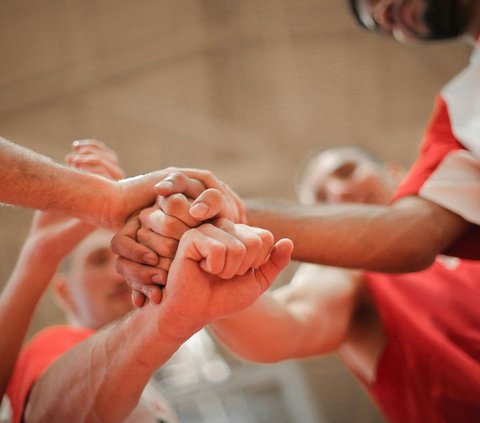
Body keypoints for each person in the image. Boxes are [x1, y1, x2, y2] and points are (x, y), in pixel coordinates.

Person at [110, 0, 480, 285]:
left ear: (396, 173)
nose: (382, 14)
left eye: (347, 170)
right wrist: (220, 216)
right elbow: (410, 236)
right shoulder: (460, 110)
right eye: (377, 23)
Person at [137, 146, 480, 422]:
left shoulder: (469, 229)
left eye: (346, 171)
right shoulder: (349, 274)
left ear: (397, 173)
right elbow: (286, 322)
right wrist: (214, 280)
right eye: (319, 197)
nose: (338, 191)